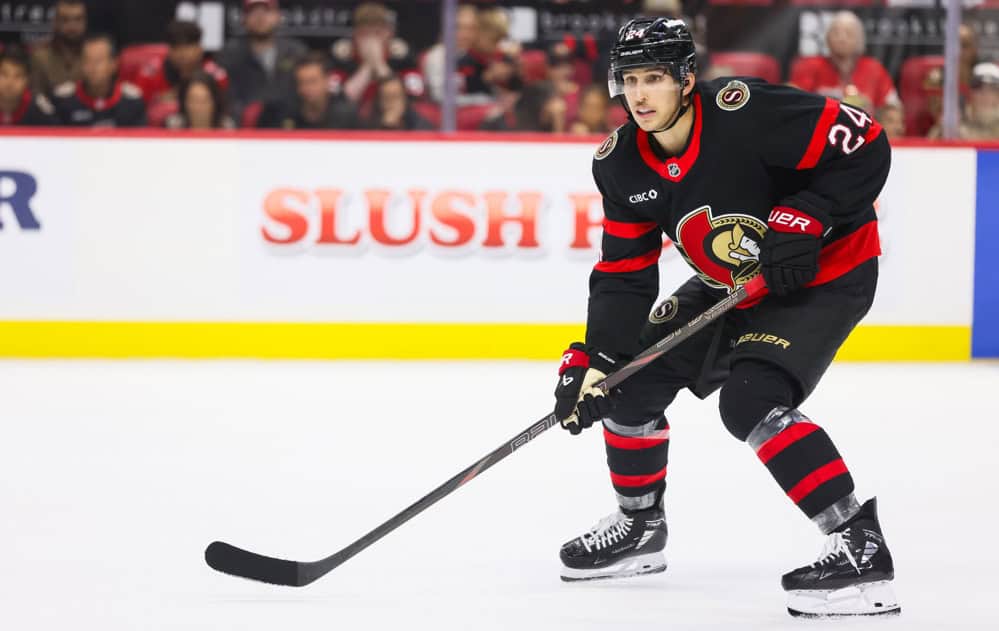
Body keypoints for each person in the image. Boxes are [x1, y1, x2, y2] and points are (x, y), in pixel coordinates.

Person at [551, 18, 898, 618]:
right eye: (630, 80)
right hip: (731, 282)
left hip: (824, 276)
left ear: (686, 79)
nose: (639, 95)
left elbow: (866, 140)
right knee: (624, 385)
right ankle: (640, 528)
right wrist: (597, 360)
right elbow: (624, 273)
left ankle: (859, 548)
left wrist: (810, 213)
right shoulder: (620, 165)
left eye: (654, 78)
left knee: (750, 399)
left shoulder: (747, 113)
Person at [789, 11, 898, 111]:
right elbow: (792, 102)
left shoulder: (874, 69)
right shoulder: (810, 66)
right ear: (827, 38)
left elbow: (892, 108)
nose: (841, 38)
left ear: (860, 39)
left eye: (849, 33)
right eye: (836, 33)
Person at [217, 0, 306, 120]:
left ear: (278, 16)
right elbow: (225, 97)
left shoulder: (296, 52)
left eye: (266, 11)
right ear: (244, 19)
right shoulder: (229, 54)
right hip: (244, 129)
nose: (260, 17)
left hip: (292, 128)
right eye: (253, 12)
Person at [329, 2, 425, 106]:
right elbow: (338, 103)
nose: (372, 40)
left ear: (389, 34)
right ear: (355, 35)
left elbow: (414, 99)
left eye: (377, 33)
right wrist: (367, 67)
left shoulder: (404, 60)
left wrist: (380, 65)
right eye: (365, 34)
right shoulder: (342, 60)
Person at [51, 33, 146, 127]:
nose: (92, 67)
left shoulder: (131, 101)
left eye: (98, 61)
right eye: (87, 60)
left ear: (114, 64)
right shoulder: (63, 100)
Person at [137, 20, 229, 108]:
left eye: (187, 47)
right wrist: (157, 101)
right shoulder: (152, 73)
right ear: (169, 50)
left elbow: (222, 111)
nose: (182, 54)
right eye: (176, 47)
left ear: (200, 49)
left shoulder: (215, 76)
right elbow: (138, 108)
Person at [258, 53, 359, 130]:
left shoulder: (346, 115)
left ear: (327, 81)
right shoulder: (281, 113)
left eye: (313, 81)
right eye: (302, 82)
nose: (307, 88)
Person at [422, 4, 478, 103]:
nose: (466, 34)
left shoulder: (479, 56)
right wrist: (480, 101)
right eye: (459, 27)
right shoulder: (437, 56)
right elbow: (439, 97)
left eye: (471, 28)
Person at [929, 62, 999, 140]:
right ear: (971, 93)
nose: (985, 95)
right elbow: (930, 148)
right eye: (978, 88)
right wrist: (943, 129)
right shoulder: (957, 117)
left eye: (992, 90)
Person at [29, 0, 86, 96]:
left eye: (78, 19)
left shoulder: (93, 56)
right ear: (55, 22)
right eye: (65, 20)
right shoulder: (40, 58)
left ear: (85, 22)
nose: (72, 26)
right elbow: (35, 97)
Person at [0, 48, 58, 126]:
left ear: (27, 80)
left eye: (18, 76)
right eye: (4, 74)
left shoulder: (40, 111)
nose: (10, 83)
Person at [164, 72, 236, 130]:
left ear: (215, 101)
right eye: (194, 100)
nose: (199, 107)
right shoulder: (173, 127)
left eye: (205, 100)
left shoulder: (226, 128)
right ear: (184, 102)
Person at [366, 75, 434, 131]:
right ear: (379, 101)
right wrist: (386, 127)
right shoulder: (369, 123)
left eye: (395, 97)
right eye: (386, 98)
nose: (391, 103)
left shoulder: (419, 124)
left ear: (404, 99)